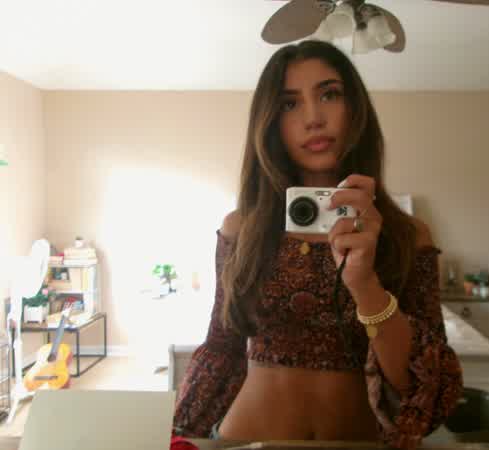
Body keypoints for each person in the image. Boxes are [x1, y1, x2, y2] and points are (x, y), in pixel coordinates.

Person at [172, 40, 462, 449]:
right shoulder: (243, 229)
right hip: (246, 441)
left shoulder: (406, 236)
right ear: (270, 122)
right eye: (290, 103)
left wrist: (366, 285)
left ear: (355, 108)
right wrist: (180, 434)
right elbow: (223, 346)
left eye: (329, 95)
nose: (313, 118)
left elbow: (424, 386)